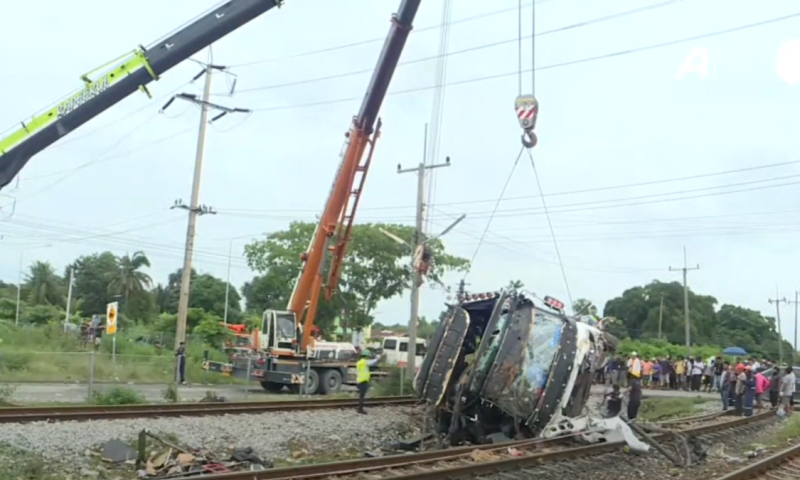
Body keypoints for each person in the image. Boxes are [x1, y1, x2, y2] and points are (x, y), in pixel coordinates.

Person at [356, 349, 381, 414]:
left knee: (361, 395)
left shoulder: (359, 362)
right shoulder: (364, 362)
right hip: (363, 381)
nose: (368, 358)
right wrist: (378, 358)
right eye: (368, 357)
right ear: (365, 356)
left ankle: (359, 408)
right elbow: (372, 362)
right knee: (362, 396)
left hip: (359, 380)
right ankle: (360, 409)